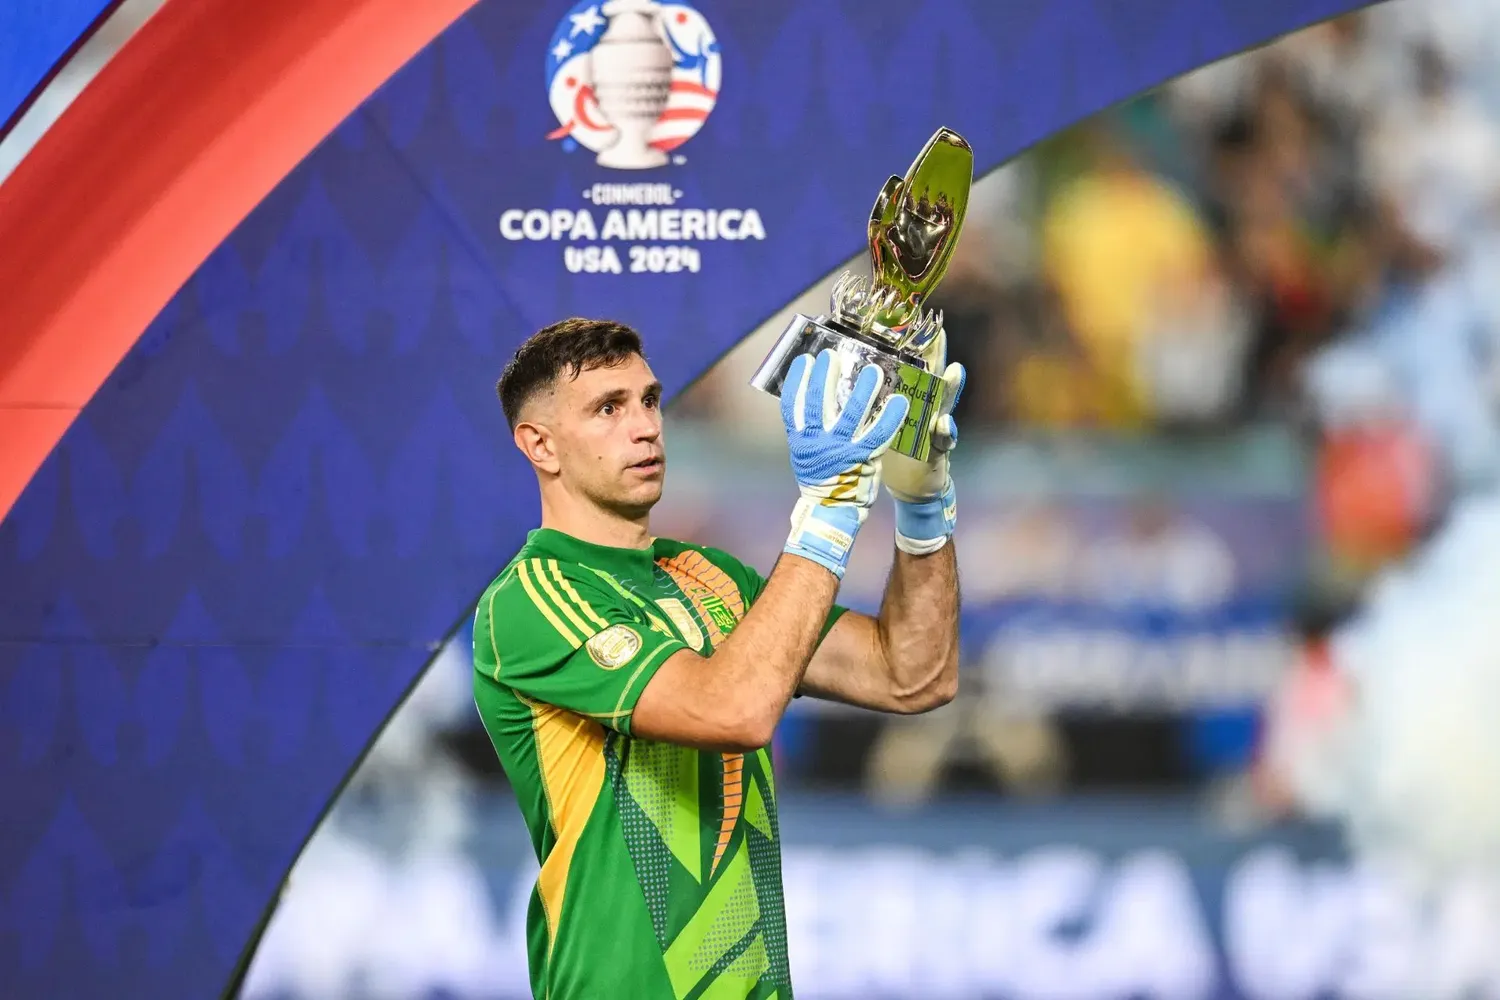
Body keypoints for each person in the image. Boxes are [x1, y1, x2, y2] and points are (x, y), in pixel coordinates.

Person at [472, 317, 965, 999]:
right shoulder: (532, 599)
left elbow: (914, 675)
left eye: (648, 400)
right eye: (608, 409)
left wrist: (923, 512)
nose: (645, 426)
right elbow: (731, 710)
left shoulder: (711, 576)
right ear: (540, 445)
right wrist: (827, 510)